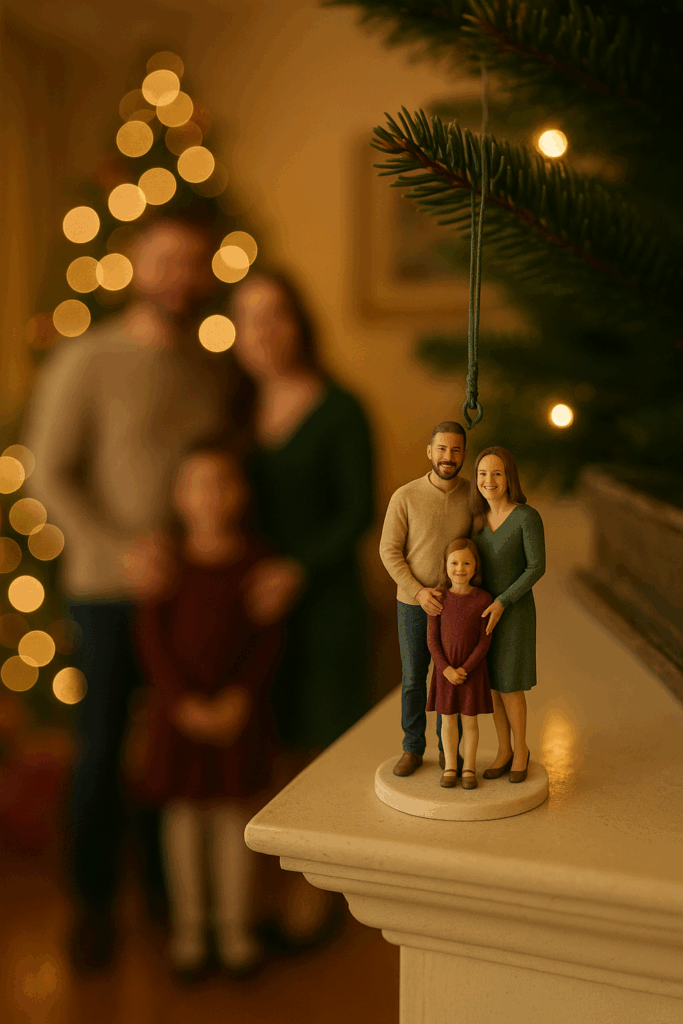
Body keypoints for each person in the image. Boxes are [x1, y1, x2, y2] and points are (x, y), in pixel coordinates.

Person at [23, 210, 235, 970]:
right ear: (138, 263)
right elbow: (48, 474)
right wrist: (122, 553)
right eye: (166, 259)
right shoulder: (86, 358)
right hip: (106, 593)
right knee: (102, 746)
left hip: (189, 596)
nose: (180, 276)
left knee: (173, 749)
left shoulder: (212, 371)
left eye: (193, 262)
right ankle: (93, 906)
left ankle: (169, 899)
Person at [229, 269, 374, 947]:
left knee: (321, 745)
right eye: (248, 319)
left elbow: (358, 512)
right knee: (274, 741)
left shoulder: (341, 409)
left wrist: (298, 570)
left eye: (276, 315)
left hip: (326, 606)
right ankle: (273, 877)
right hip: (254, 610)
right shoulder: (234, 409)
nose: (263, 332)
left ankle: (317, 893)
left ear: (299, 323)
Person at [133, 443, 282, 977]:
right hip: (180, 721)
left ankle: (236, 932)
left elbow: (268, 639)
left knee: (235, 825)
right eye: (198, 484)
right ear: (179, 496)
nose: (211, 496)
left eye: (222, 483)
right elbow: (151, 638)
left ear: (241, 493)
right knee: (182, 825)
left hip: (238, 719)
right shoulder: (166, 564)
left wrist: (241, 696)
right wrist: (180, 702)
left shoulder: (257, 565)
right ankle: (190, 933)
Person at [380, 422, 472, 778]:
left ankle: (450, 752)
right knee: (414, 679)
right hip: (413, 604)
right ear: (430, 452)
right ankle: (412, 748)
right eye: (442, 449)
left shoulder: (472, 496)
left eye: (456, 450)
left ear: (463, 454)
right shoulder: (405, 496)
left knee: (452, 680)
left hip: (456, 606)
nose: (448, 457)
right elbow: (389, 551)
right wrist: (418, 591)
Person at [471, 447, 546, 784]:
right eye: (483, 473)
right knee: (492, 687)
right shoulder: (476, 521)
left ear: (509, 477)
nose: (489, 480)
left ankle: (521, 750)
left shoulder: (526, 517)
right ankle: (503, 749)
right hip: (482, 615)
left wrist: (503, 601)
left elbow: (536, 567)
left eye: (497, 473)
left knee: (510, 686)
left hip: (513, 613)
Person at [426, 538, 493, 790]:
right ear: (445, 565)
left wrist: (465, 669)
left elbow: (484, 642)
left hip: (471, 673)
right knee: (447, 721)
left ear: (476, 567)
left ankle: (469, 768)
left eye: (466, 563)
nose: (460, 568)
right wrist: (446, 669)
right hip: (445, 673)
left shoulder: (483, 599)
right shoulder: (438, 598)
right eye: (454, 563)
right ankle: (451, 766)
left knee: (470, 722)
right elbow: (432, 640)